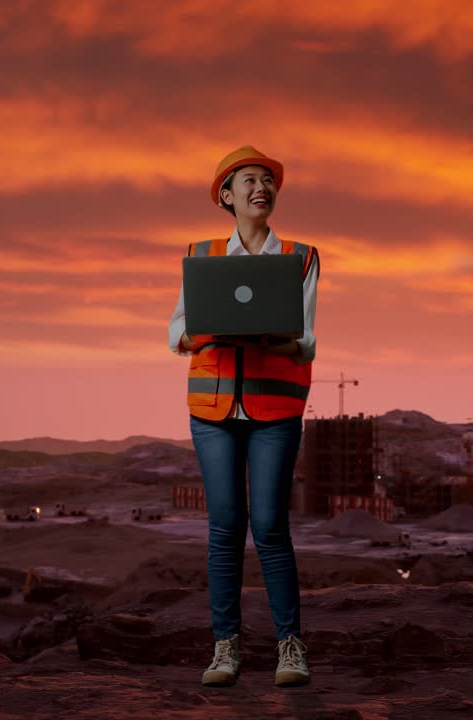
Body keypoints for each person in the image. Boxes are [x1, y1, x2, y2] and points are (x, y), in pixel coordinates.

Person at [167, 145, 319, 688]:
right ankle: (225, 648)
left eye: (268, 180)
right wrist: (204, 331)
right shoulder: (201, 256)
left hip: (274, 410)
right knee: (225, 528)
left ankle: (290, 648)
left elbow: (306, 340)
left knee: (271, 527)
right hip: (212, 410)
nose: (261, 188)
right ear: (226, 197)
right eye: (249, 180)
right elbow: (176, 331)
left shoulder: (301, 257)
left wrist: (272, 338)